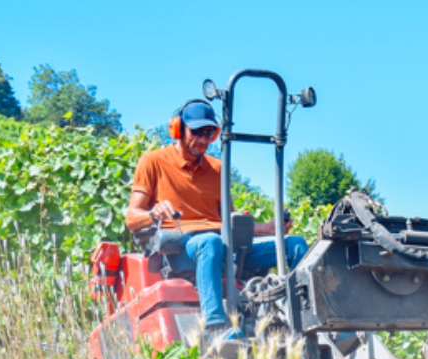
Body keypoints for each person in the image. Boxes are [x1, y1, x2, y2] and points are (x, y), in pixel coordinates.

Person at [125, 99, 307, 340]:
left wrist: (269, 228)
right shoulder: (153, 162)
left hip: (223, 244)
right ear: (178, 129)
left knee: (295, 245)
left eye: (209, 133)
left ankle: (308, 320)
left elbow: (229, 223)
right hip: (183, 248)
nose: (202, 140)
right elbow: (131, 218)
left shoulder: (219, 169)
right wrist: (152, 214)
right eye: (196, 132)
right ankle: (216, 326)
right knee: (210, 242)